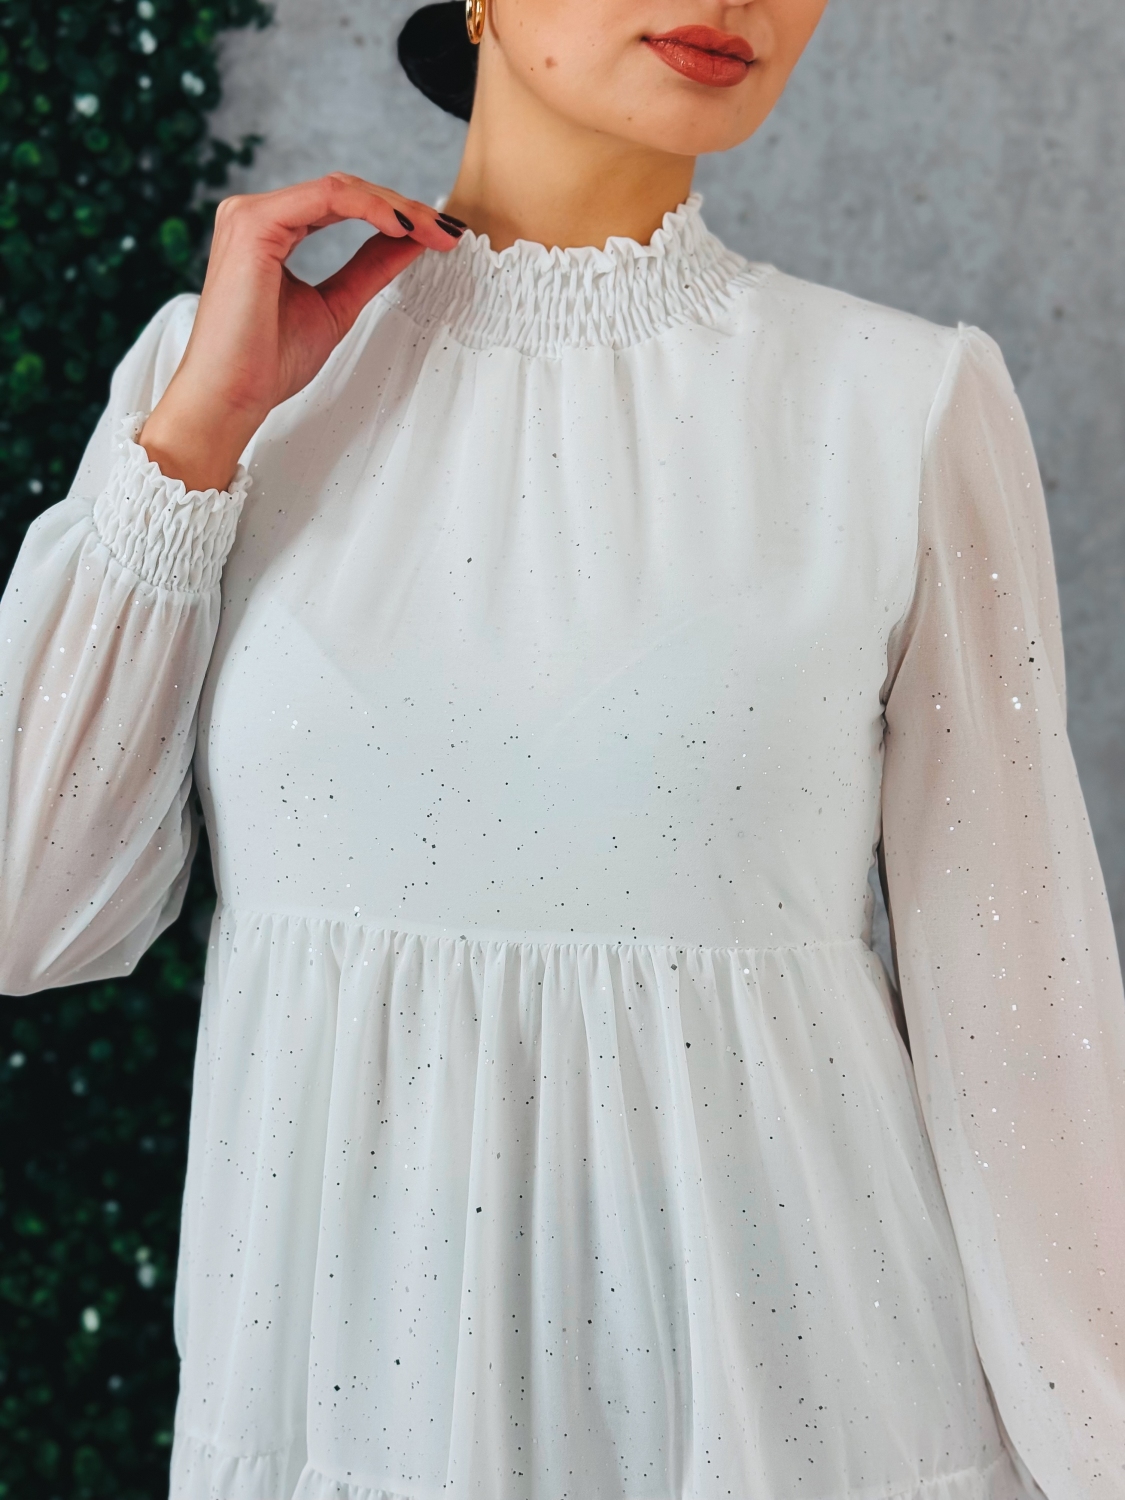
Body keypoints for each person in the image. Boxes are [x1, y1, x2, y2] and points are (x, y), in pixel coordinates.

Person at [1, 0, 1122, 1495]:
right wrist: (200, 437)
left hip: (806, 1424)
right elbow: (32, 909)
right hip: (343, 1421)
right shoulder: (216, 377)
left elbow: (1021, 1024)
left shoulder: (898, 403)